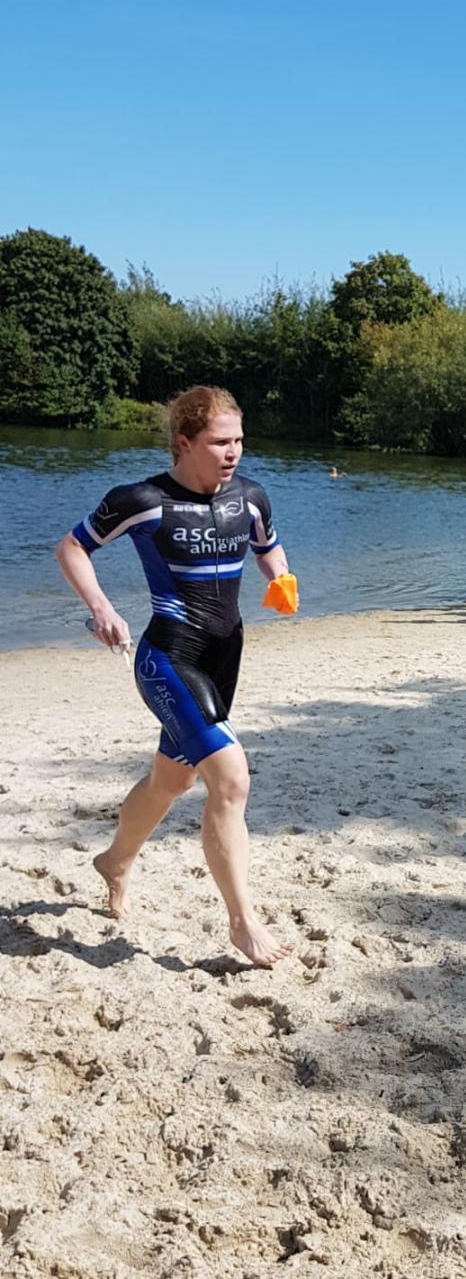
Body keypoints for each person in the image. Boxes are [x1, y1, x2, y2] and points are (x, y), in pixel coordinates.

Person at [54, 386, 296, 968]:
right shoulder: (143, 500)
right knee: (231, 780)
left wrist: (281, 577)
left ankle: (114, 862)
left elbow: (267, 547)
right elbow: (72, 548)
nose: (233, 452)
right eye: (219, 442)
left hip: (224, 658)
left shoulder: (251, 497)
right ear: (184, 442)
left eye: (239, 440)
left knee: (172, 781)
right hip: (168, 657)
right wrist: (102, 608)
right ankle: (242, 922)